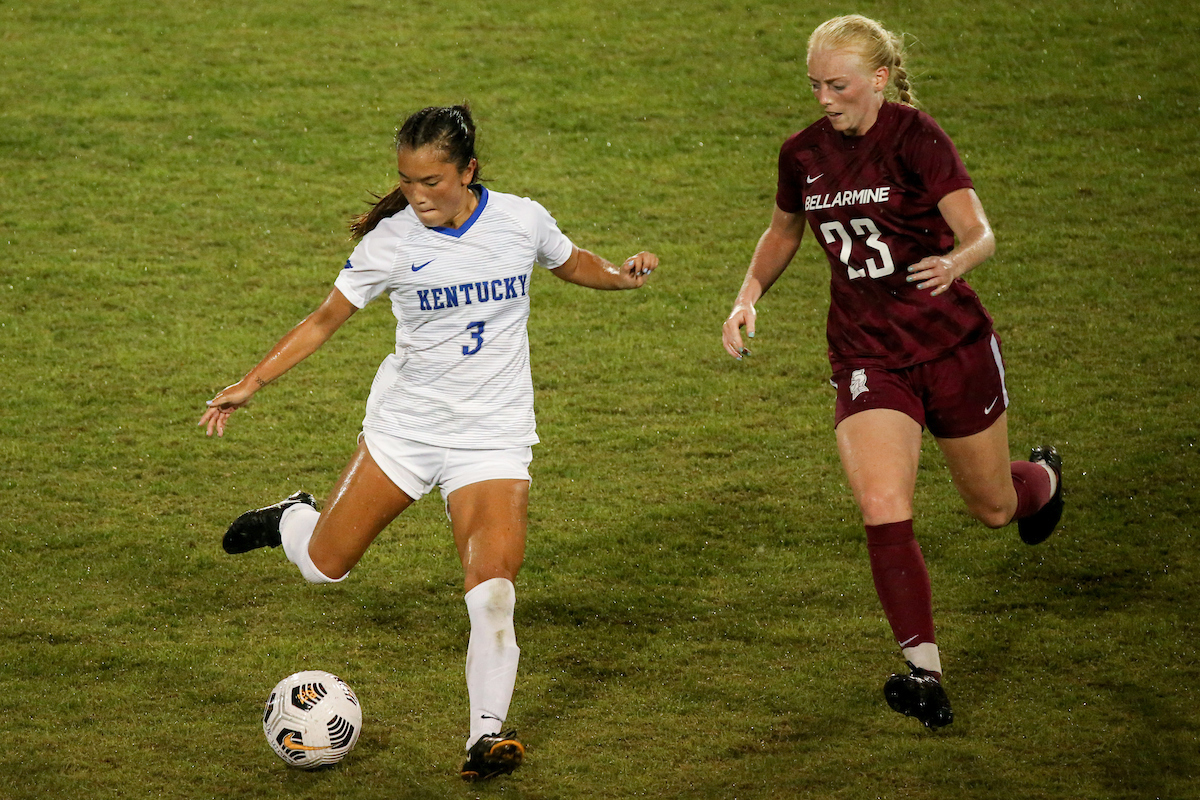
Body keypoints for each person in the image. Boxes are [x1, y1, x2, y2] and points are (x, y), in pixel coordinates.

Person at [199, 105, 658, 779]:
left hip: (492, 440)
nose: (418, 195)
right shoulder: (391, 242)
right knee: (326, 565)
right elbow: (326, 319)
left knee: (493, 590)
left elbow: (567, 261)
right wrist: (252, 381)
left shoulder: (519, 219)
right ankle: (293, 515)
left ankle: (485, 738)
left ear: (468, 171)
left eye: (433, 181)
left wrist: (620, 274)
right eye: (407, 181)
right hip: (406, 432)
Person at [721, 15, 1062, 730]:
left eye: (838, 85)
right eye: (814, 84)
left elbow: (980, 232)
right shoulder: (802, 153)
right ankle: (924, 671)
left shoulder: (916, 137)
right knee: (882, 503)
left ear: (878, 79)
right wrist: (748, 295)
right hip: (866, 354)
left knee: (995, 507)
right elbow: (784, 229)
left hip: (951, 346)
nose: (824, 98)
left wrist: (958, 261)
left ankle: (1043, 481)